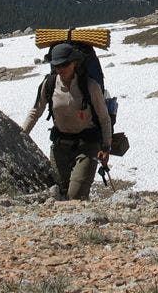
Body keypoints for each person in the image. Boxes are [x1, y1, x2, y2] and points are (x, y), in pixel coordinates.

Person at [22, 42, 113, 200]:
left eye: (64, 64)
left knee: (75, 196)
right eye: (57, 65)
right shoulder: (49, 85)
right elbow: (35, 112)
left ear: (74, 63)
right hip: (60, 147)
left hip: (88, 146)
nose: (60, 69)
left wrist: (106, 148)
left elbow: (104, 119)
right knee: (62, 193)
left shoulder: (90, 86)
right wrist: (21, 135)